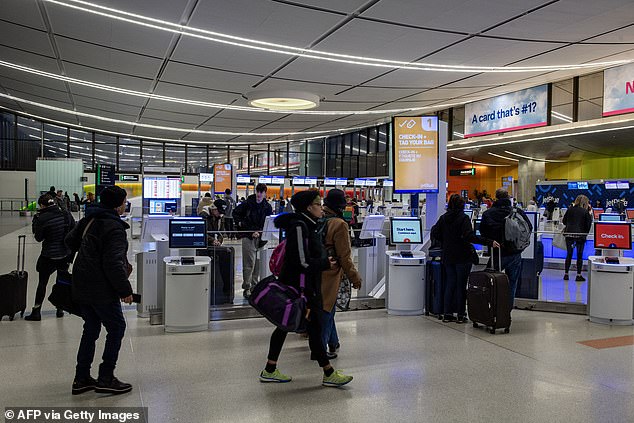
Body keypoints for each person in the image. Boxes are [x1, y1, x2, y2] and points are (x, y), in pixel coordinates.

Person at [260, 190, 353, 387]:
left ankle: (270, 369)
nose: (321, 207)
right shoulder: (300, 226)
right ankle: (328, 373)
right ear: (309, 207)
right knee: (310, 326)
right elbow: (301, 261)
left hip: (303, 284)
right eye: (318, 204)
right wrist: (324, 263)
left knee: (291, 326)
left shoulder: (307, 224)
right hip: (301, 287)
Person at [65, 186, 133, 395]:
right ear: (118, 205)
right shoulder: (114, 228)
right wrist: (124, 290)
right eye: (124, 202)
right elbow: (112, 263)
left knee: (91, 328)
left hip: (81, 282)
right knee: (116, 328)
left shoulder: (90, 219)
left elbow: (69, 240)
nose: (125, 205)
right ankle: (105, 377)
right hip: (100, 287)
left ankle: (82, 377)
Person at [431, 194, 499, 323]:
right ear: (462, 205)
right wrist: (489, 242)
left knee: (450, 284)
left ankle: (447, 314)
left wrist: (446, 241)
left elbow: (435, 232)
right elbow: (470, 237)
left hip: (448, 256)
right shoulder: (464, 218)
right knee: (461, 285)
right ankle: (461, 314)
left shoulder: (444, 218)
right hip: (462, 256)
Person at [319, 189, 362, 358]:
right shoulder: (339, 224)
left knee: (327, 307)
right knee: (328, 310)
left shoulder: (319, 219)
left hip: (317, 269)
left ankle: (333, 341)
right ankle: (321, 349)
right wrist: (354, 276)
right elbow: (344, 256)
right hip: (332, 272)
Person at [24, 193, 76, 321]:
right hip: (64, 254)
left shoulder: (42, 218)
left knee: (42, 283)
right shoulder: (66, 214)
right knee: (61, 281)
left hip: (49, 255)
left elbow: (38, 238)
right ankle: (60, 309)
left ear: (42, 205)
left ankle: (36, 312)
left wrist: (35, 222)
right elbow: (74, 231)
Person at [480, 188, 533, 309]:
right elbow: (528, 227)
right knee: (512, 283)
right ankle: (506, 312)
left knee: (489, 281)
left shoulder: (488, 213)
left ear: (496, 197)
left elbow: (483, 232)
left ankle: (491, 309)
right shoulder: (517, 212)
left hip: (496, 254)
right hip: (515, 253)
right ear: (508, 197)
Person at [233, 183, 273, 298]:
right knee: (249, 263)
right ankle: (247, 287)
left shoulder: (267, 207)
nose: (259, 194)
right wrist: (247, 228)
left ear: (265, 193)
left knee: (258, 264)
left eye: (261, 192)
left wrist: (261, 233)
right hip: (248, 237)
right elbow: (236, 214)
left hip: (261, 238)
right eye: (258, 191)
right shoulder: (247, 203)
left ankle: (254, 287)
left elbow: (268, 222)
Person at [562, 195, 592, 281]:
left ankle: (566, 274)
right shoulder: (585, 211)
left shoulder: (570, 209)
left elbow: (564, 222)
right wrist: (585, 233)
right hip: (580, 236)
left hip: (569, 235)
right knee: (579, 255)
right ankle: (578, 275)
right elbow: (588, 225)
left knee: (569, 254)